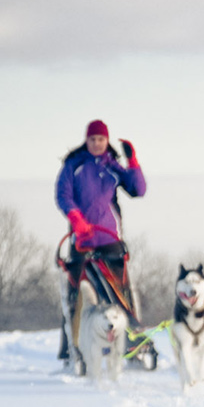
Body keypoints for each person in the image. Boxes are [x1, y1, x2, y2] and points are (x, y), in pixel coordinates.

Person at [56, 119, 146, 360]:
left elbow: (138, 189)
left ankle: (133, 344)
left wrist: (132, 162)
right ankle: (72, 348)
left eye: (101, 139)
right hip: (81, 239)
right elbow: (63, 195)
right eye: (93, 139)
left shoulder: (112, 166)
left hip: (109, 237)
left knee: (120, 292)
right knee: (77, 294)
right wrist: (76, 218)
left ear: (107, 141)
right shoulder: (73, 166)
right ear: (87, 141)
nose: (97, 143)